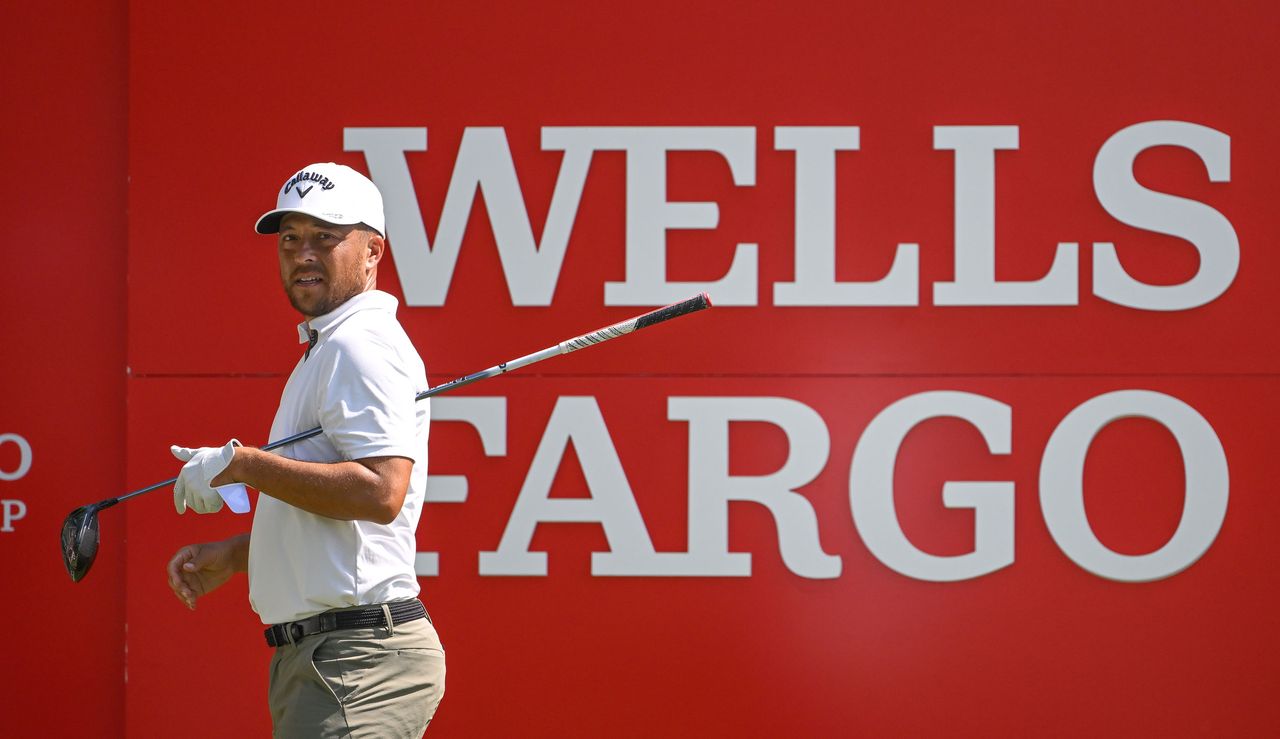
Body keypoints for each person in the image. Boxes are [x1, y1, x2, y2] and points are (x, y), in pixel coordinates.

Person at [164, 162, 444, 737]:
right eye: (290, 238)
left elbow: (381, 491)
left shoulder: (358, 344)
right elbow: (343, 524)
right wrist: (247, 552)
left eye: (325, 237)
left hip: (355, 660)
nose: (302, 253)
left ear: (373, 253)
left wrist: (243, 463)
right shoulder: (329, 345)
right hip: (329, 658)